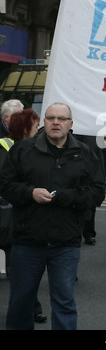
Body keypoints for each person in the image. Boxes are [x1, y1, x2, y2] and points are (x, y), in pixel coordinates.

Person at [0, 103, 106, 330]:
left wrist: (66, 197)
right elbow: (6, 185)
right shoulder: (22, 150)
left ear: (71, 124)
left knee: (64, 303)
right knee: (20, 302)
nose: (56, 122)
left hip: (65, 242)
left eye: (61, 118)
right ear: (44, 122)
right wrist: (30, 193)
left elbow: (96, 193)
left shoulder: (85, 154)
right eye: (50, 118)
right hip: (27, 240)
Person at [0, 108, 47, 324]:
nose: (39, 129)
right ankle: (29, 309)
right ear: (26, 127)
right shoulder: (11, 149)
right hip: (10, 215)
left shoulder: (34, 148)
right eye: (36, 125)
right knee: (19, 270)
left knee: (19, 270)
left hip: (15, 215)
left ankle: (31, 308)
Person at [73, 134, 106, 246]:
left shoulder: (93, 138)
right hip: (73, 179)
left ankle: (89, 233)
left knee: (89, 209)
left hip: (88, 180)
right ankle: (81, 234)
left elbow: (99, 161)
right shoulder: (69, 137)